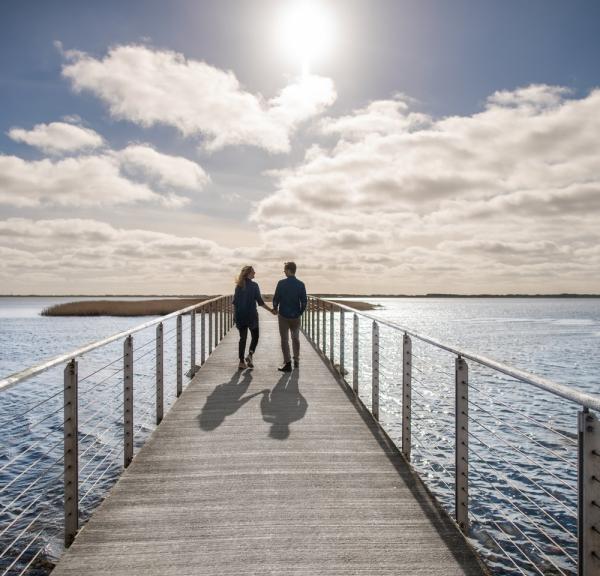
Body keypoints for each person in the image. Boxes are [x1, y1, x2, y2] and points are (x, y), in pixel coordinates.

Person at [233, 265, 274, 370]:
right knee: (255, 336)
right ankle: (250, 355)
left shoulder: (238, 286)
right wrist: (271, 311)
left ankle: (241, 362)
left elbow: (235, 303)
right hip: (251, 316)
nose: (255, 273)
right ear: (248, 273)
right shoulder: (254, 286)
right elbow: (260, 302)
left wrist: (234, 317)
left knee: (243, 338)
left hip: (240, 316)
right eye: (253, 272)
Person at [272, 261, 307, 372]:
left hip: (283, 316)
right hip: (295, 316)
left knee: (284, 340)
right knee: (295, 338)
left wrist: (275, 308)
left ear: (288, 270)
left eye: (284, 270)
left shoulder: (281, 283)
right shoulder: (301, 284)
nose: (284, 272)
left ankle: (287, 363)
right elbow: (304, 302)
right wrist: (300, 312)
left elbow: (276, 298)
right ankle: (296, 359)